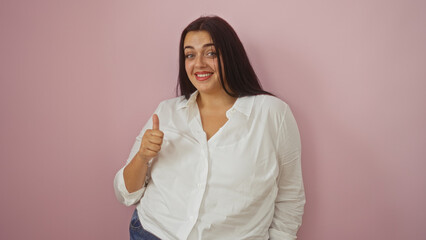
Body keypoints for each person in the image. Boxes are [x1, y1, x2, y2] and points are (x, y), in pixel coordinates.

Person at [114, 15, 305, 240]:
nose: (199, 64)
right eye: (190, 55)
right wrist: (142, 156)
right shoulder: (167, 112)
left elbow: (290, 195)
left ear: (231, 56)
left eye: (211, 53)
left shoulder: (272, 113)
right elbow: (125, 193)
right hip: (153, 232)